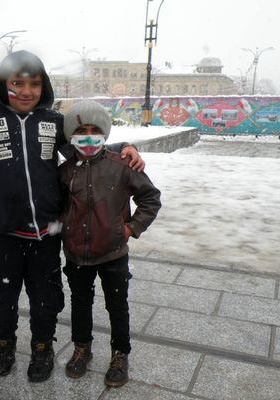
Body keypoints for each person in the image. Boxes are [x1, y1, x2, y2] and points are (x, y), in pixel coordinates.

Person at [0, 50, 145, 382]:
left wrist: (125, 147)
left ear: (44, 86)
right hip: (0, 232)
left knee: (45, 297)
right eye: (17, 83)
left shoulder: (53, 122)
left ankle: (42, 347)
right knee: (1, 296)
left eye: (34, 84)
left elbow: (87, 149)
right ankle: (4, 344)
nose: (26, 91)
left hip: (46, 232)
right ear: (2, 84)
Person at [60, 100, 161, 387]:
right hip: (77, 254)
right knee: (80, 302)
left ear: (105, 132)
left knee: (117, 305)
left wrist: (130, 228)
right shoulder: (67, 170)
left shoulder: (123, 165)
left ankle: (120, 354)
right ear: (71, 135)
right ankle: (82, 347)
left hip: (113, 252)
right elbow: (59, 207)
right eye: (81, 131)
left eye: (95, 130)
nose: (88, 136)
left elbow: (150, 198)